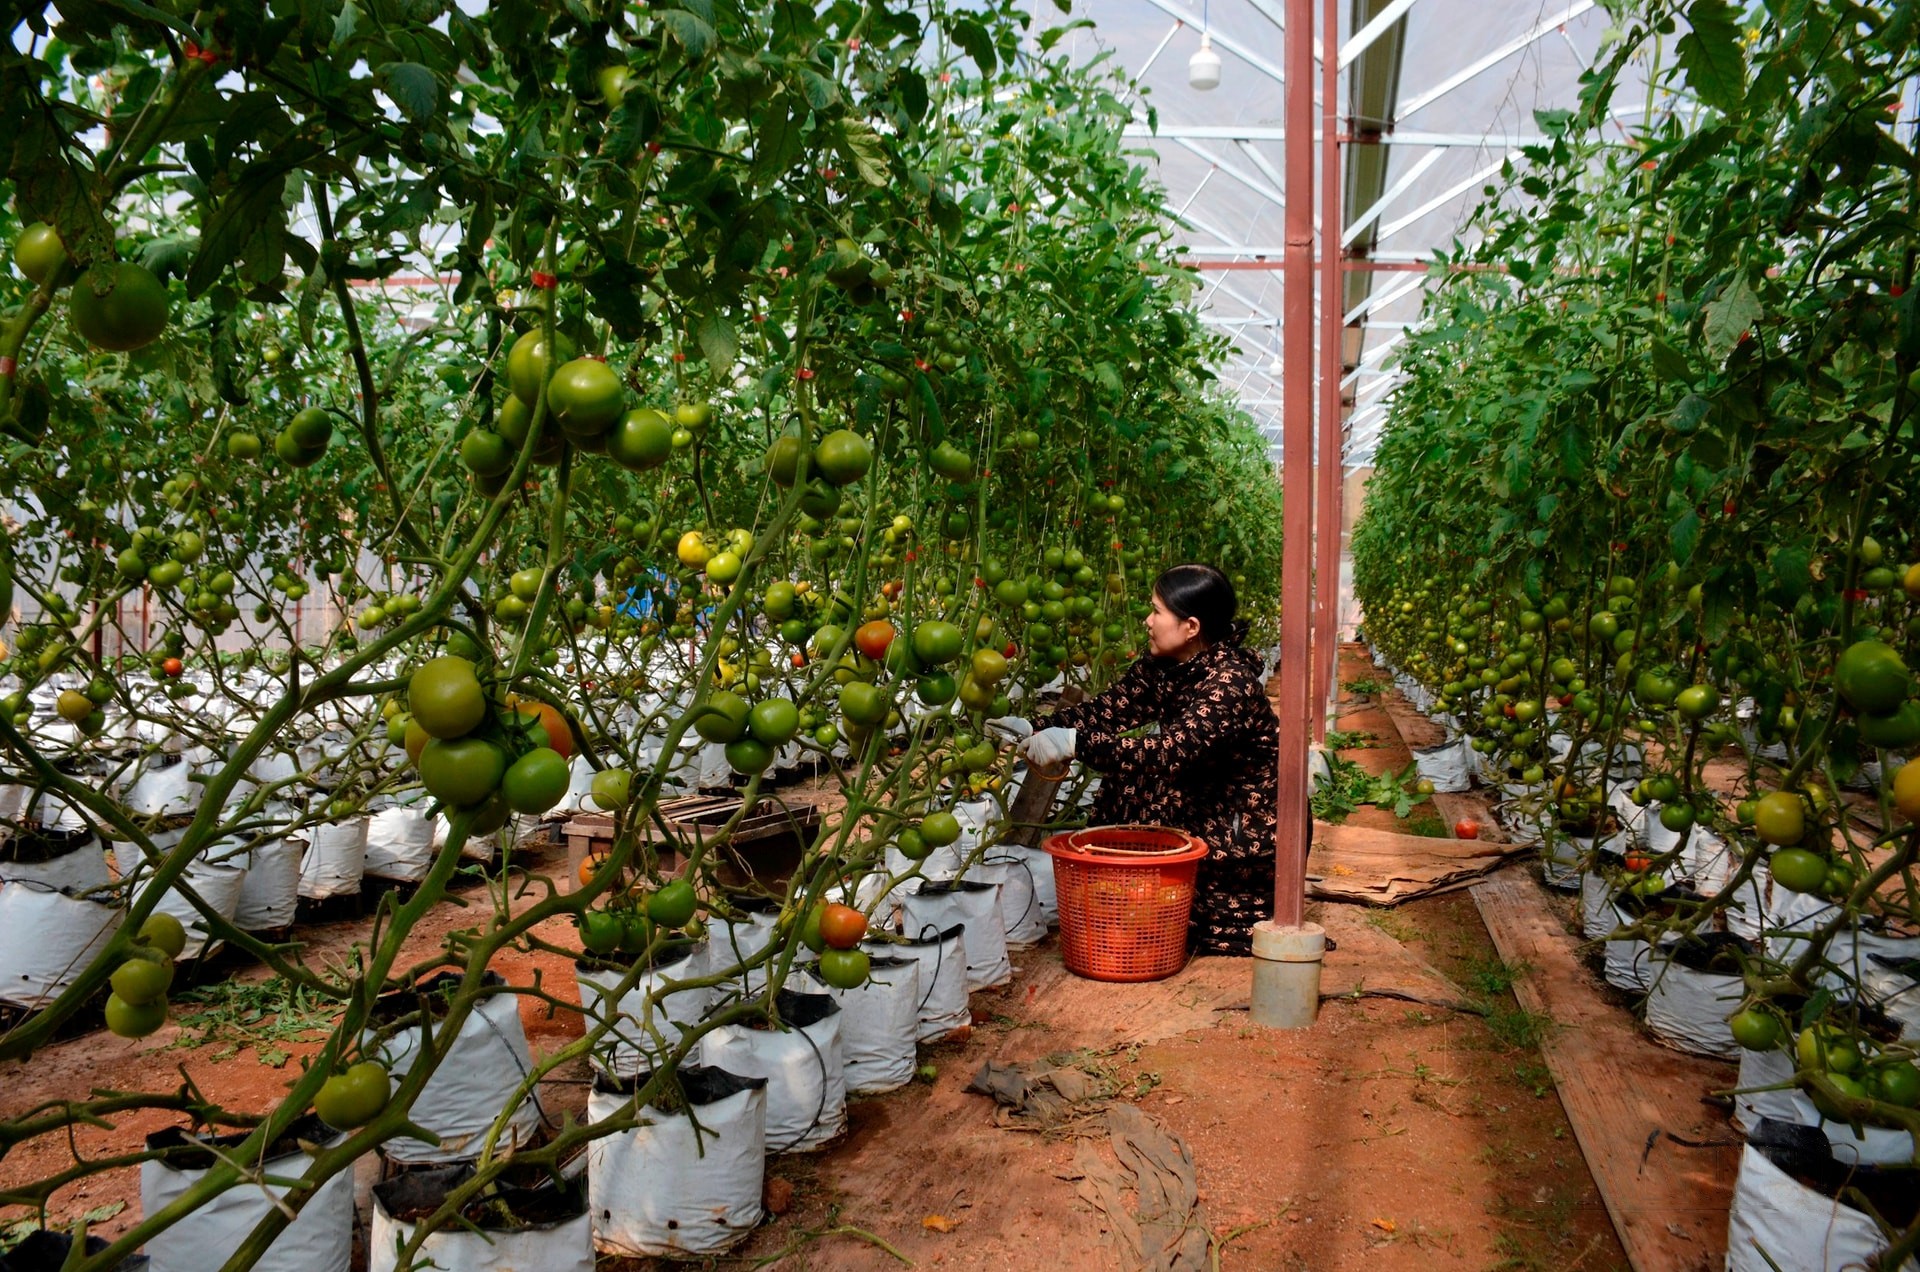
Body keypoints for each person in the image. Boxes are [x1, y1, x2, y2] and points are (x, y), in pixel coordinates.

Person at [1019, 564, 1280, 956]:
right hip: (1205, 796)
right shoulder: (1168, 668)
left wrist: (1076, 743)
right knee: (1128, 782)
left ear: (1190, 626)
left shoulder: (1230, 683)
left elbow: (1171, 753)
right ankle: (1139, 895)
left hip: (1243, 820)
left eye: (1157, 611)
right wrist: (1033, 726)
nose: (1148, 620)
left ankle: (1171, 898)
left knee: (1138, 778)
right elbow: (1108, 711)